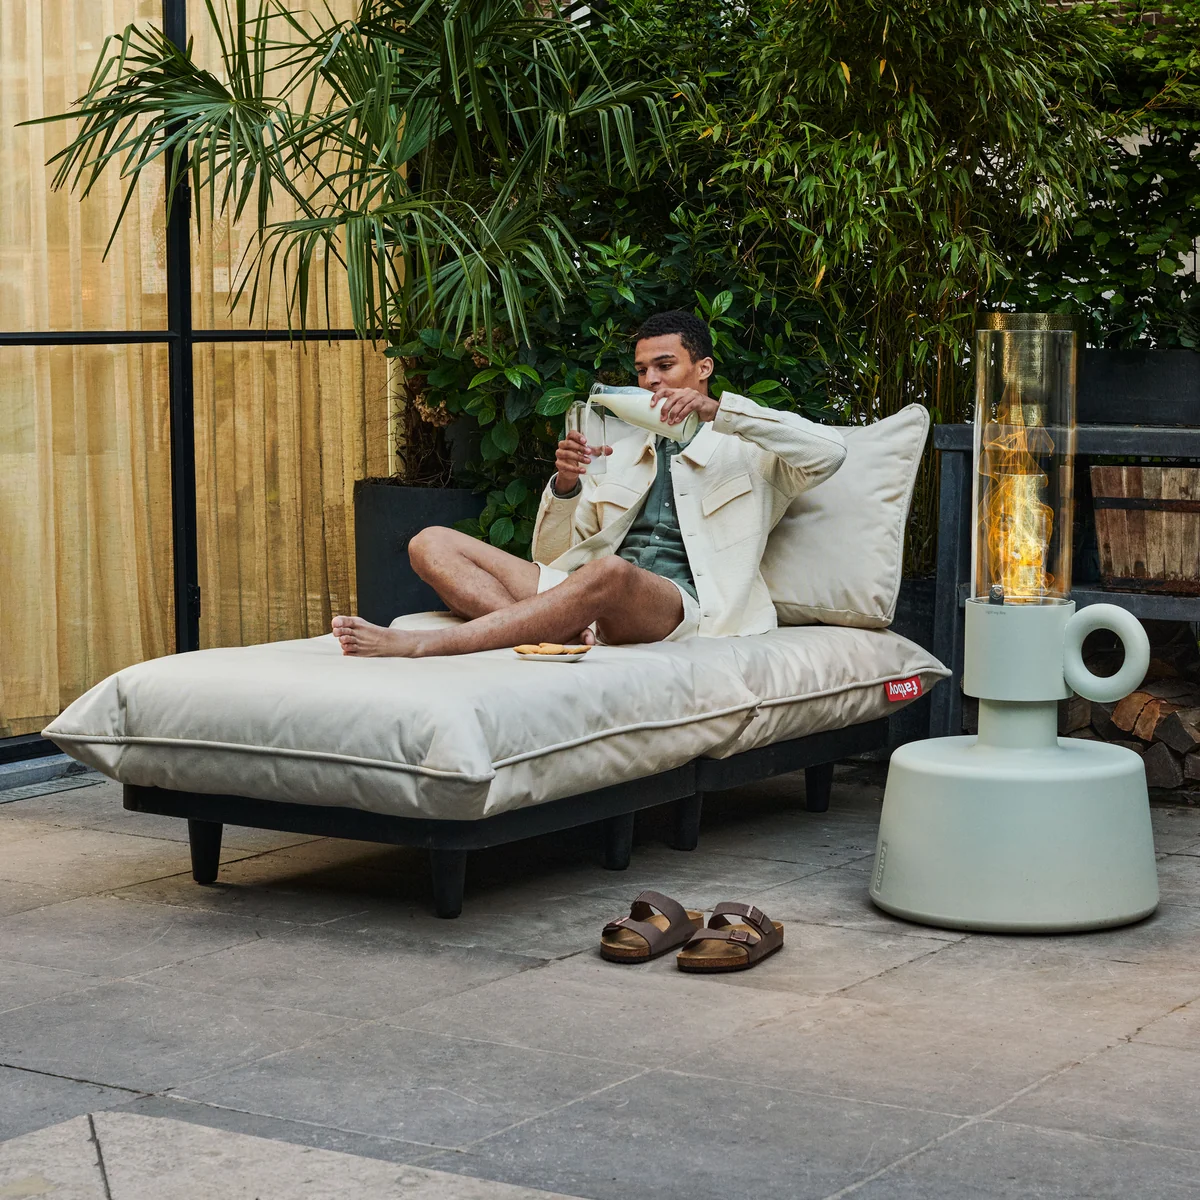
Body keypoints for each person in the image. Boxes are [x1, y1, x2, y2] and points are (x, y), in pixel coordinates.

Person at [331, 309, 846, 657]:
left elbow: (830, 452)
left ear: (703, 368)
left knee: (612, 574)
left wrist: (720, 411)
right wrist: (566, 485)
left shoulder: (750, 449)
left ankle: (427, 646)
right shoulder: (618, 450)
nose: (650, 380)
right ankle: (554, 632)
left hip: (680, 606)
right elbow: (551, 558)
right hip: (584, 592)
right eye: (642, 370)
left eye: (665, 365)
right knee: (430, 542)